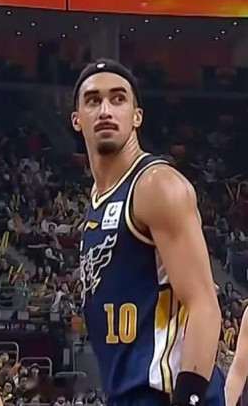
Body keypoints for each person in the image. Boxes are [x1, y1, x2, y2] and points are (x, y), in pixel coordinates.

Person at [72, 59, 224, 406]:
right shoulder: (99, 197)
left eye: (118, 99)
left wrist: (189, 399)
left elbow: (204, 306)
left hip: (166, 394)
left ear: (137, 116)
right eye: (93, 100)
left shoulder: (157, 185)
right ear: (77, 119)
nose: (106, 110)